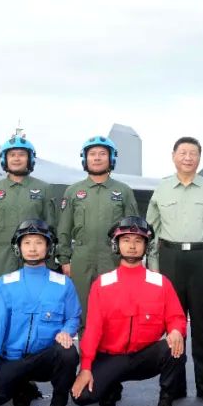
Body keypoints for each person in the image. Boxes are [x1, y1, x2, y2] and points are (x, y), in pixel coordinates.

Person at [71, 217, 188, 406]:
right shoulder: (102, 284)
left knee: (175, 348)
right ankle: (110, 391)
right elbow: (93, 329)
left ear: (146, 246)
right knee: (82, 397)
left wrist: (176, 331)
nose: (132, 246)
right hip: (111, 357)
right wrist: (86, 367)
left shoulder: (160, 282)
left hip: (144, 357)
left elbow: (176, 318)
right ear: (116, 244)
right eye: (126, 240)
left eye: (138, 240)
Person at [146, 136, 203, 401]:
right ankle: (176, 385)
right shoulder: (162, 189)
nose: (187, 157)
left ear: (199, 158)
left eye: (193, 153)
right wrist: (153, 265)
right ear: (173, 156)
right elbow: (151, 230)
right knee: (173, 323)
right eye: (182, 152)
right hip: (170, 258)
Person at [0, 220, 81, 406]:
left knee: (68, 353)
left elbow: (73, 317)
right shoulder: (6, 283)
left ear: (48, 248)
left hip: (45, 358)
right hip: (13, 358)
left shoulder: (63, 283)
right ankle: (22, 392)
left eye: (39, 243)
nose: (33, 248)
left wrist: (66, 331)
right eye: (27, 243)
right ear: (18, 248)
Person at [57, 135, 139, 320]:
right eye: (92, 154)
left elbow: (134, 230)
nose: (97, 158)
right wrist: (64, 260)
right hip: (81, 260)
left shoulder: (124, 191)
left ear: (111, 158)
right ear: (85, 158)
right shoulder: (73, 192)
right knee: (81, 311)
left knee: (114, 310)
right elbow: (64, 228)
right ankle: (85, 340)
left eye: (102, 153)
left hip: (113, 259)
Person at [0, 136, 58, 286]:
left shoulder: (44, 189)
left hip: (36, 258)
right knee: (5, 297)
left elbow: (52, 228)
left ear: (30, 159)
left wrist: (50, 260)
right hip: (2, 260)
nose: (16, 158)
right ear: (5, 159)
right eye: (12, 155)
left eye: (21, 154)